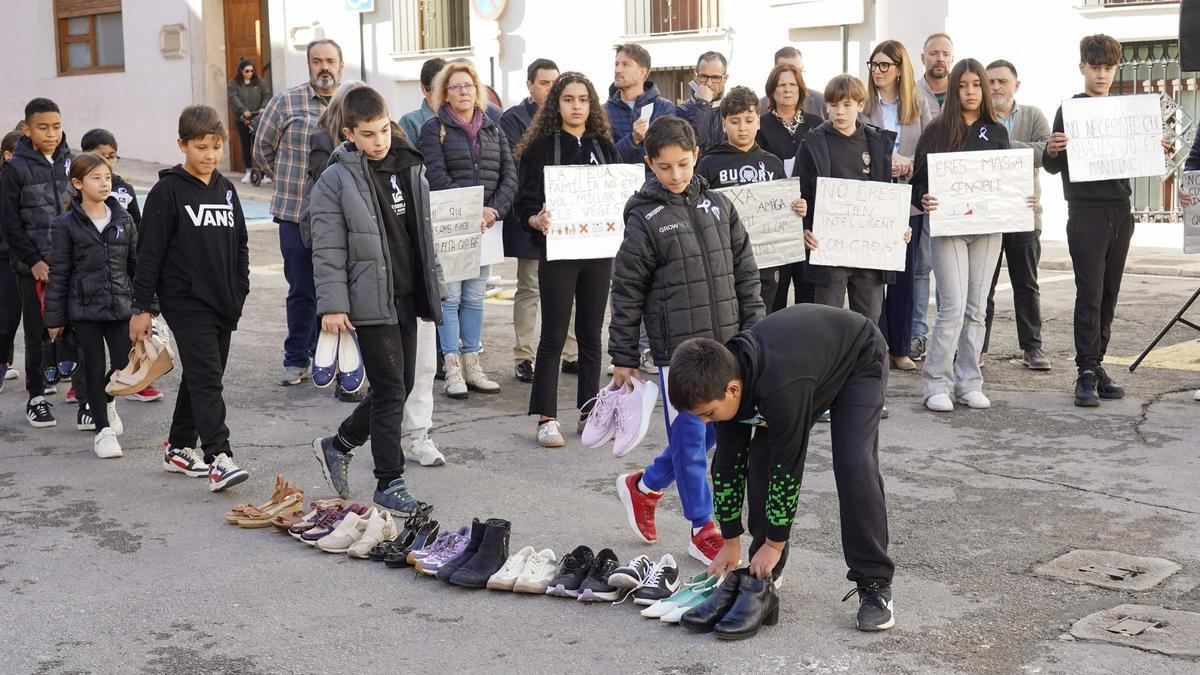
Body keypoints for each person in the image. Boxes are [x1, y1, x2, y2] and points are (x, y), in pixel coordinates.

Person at [671, 303, 895, 632]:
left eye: (708, 414)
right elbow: (727, 467)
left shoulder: (780, 388)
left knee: (853, 462)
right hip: (808, 368)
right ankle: (764, 574)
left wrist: (775, 543)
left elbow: (788, 467)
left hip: (858, 358)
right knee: (760, 461)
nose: (706, 422)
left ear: (732, 390)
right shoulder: (723, 380)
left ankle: (874, 583)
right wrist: (730, 541)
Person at [610, 116, 764, 566]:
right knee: (691, 440)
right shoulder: (644, 219)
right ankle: (703, 527)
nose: (675, 175)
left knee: (715, 429)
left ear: (696, 155)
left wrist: (756, 334)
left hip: (729, 346)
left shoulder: (720, 205)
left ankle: (645, 486)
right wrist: (623, 354)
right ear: (649, 163)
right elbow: (626, 290)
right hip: (676, 353)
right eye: (664, 167)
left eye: (682, 164)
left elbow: (746, 273)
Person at [309, 86, 444, 512]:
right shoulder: (334, 180)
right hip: (366, 297)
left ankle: (339, 444)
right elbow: (327, 248)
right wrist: (333, 305)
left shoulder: (408, 166)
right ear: (348, 134)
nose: (379, 140)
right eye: (367, 134)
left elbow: (422, 235)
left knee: (403, 385)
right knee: (389, 390)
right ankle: (390, 480)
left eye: (384, 129)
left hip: (406, 293)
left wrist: (434, 284)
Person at [1044, 35, 1169, 407]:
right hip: (1085, 214)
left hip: (1121, 212)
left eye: (1108, 68)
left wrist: (1154, 147)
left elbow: (1141, 158)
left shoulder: (1126, 111)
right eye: (1095, 67)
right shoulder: (1069, 109)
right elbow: (1053, 165)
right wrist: (1052, 150)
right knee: (1090, 293)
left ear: (1116, 69)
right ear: (1082, 67)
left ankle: (1096, 364)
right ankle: (1084, 371)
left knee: (1109, 294)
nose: (1101, 75)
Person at [131, 105, 250, 492]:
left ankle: (179, 447)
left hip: (223, 301)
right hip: (185, 302)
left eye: (216, 147)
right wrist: (142, 307)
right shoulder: (167, 192)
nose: (210, 155)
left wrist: (240, 289)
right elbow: (149, 254)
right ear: (182, 145)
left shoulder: (226, 189)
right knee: (207, 379)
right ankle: (219, 458)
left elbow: (240, 244)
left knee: (203, 376)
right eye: (201, 147)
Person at [914, 59, 1029, 413]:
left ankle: (969, 382)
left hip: (987, 231)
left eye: (976, 85)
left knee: (977, 309)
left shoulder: (996, 132)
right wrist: (924, 198)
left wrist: (1022, 199)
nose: (970, 92)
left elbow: (1007, 182)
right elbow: (917, 182)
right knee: (951, 307)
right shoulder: (936, 131)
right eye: (963, 85)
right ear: (954, 90)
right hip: (949, 230)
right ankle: (936, 383)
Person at [514, 72, 621, 447]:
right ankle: (546, 418)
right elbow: (524, 203)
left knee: (592, 335)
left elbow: (619, 196)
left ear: (592, 105)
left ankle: (590, 412)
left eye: (583, 100)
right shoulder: (540, 148)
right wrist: (535, 220)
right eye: (569, 99)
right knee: (554, 335)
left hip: (597, 252)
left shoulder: (604, 147)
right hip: (558, 252)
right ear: (556, 104)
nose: (577, 106)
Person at [419, 60, 515, 399]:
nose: (464, 92)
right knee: (451, 298)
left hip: (486, 228)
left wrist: (492, 211)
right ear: (445, 94)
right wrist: (471, 209)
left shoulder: (493, 128)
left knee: (475, 297)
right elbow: (434, 174)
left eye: (469, 86)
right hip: (451, 225)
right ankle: (452, 369)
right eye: (456, 86)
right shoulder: (433, 129)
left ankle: (473, 365)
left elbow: (509, 175)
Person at [254, 38, 343, 387]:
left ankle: (328, 357)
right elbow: (262, 150)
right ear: (309, 64)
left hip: (338, 218)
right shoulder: (284, 102)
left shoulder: (350, 102)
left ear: (341, 65)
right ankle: (296, 359)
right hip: (293, 212)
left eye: (330, 61)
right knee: (302, 288)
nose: (324, 67)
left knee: (334, 289)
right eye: (317, 60)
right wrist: (287, 180)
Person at [44, 153, 136, 458]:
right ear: (78, 183)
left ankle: (107, 400)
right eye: (96, 178)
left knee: (124, 364)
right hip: (83, 310)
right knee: (93, 368)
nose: (104, 183)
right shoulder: (65, 225)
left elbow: (136, 266)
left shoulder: (123, 219)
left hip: (120, 306)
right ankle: (103, 431)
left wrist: (146, 306)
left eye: (107, 177)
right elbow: (59, 273)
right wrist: (54, 318)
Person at [797, 75, 908, 327]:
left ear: (860, 105)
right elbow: (800, 194)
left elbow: (888, 196)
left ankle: (866, 356)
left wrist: (898, 228)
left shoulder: (878, 143)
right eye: (833, 105)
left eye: (847, 105)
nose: (840, 111)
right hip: (828, 250)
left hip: (870, 252)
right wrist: (803, 229)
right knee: (826, 323)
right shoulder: (812, 143)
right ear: (826, 106)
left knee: (868, 324)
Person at [500, 58, 579, 384]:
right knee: (530, 286)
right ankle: (524, 356)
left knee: (569, 286)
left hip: (567, 214)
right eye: (544, 83)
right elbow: (514, 163)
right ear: (530, 85)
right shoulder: (514, 119)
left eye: (554, 83)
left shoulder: (569, 117)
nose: (550, 88)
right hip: (532, 214)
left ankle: (571, 354)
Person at [695, 85, 806, 311]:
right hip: (726, 262)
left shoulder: (772, 163)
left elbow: (785, 207)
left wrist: (798, 207)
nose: (742, 128)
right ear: (723, 124)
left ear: (758, 122)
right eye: (735, 121)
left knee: (767, 318)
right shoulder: (708, 163)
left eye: (748, 120)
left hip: (767, 261)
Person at [861, 40, 934, 372]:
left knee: (904, 275)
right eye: (873, 65)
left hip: (908, 200)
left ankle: (900, 348)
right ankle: (876, 346)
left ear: (900, 68)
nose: (877, 71)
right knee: (873, 277)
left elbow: (931, 148)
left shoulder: (918, 104)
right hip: (872, 201)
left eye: (884, 65)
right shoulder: (863, 104)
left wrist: (909, 163)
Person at [1, 98, 73, 428]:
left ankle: (87, 397)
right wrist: (33, 261)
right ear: (27, 130)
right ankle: (36, 397)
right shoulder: (15, 168)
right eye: (43, 127)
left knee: (78, 328)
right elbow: (10, 223)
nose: (51, 134)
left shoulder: (70, 162)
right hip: (32, 269)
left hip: (69, 263)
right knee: (36, 332)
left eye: (56, 126)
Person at [79, 128, 164, 403]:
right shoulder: (77, 192)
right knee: (89, 351)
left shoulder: (125, 189)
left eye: (112, 156)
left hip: (122, 274)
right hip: (88, 283)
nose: (108, 162)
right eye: (101, 156)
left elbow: (138, 225)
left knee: (128, 340)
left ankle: (132, 381)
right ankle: (83, 391)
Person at [982, 60, 1052, 371]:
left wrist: (1002, 146)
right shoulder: (976, 117)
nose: (996, 87)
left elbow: (1047, 152)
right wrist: (1021, 152)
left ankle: (1032, 348)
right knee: (983, 287)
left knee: (1026, 284)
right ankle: (977, 349)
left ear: (1016, 86)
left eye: (1002, 81)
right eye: (990, 82)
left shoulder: (1033, 115)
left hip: (1025, 214)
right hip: (986, 215)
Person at [911, 33, 954, 362]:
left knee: (950, 271)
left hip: (956, 194)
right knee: (921, 267)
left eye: (945, 53)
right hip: (926, 191)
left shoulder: (964, 91)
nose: (939, 58)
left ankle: (946, 335)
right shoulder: (912, 94)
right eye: (934, 53)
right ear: (923, 57)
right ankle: (917, 334)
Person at [604, 43, 676, 165]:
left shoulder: (664, 108)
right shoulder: (603, 112)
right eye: (616, 64)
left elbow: (670, 154)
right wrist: (633, 139)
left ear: (642, 72)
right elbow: (605, 159)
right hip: (618, 177)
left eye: (625, 64)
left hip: (655, 177)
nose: (618, 70)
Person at [756, 62, 820, 175]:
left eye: (793, 84)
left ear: (799, 89)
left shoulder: (816, 123)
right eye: (782, 85)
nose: (787, 90)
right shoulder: (760, 125)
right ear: (772, 91)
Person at [0, 131, 25, 389]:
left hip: (31, 259)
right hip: (5, 258)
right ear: (7, 156)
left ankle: (42, 373)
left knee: (39, 319)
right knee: (6, 319)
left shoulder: (35, 185)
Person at [227, 57, 272, 184]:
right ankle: (248, 171)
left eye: (252, 71)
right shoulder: (233, 84)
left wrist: (263, 107)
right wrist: (243, 110)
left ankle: (263, 172)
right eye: (247, 71)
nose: (249, 73)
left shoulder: (259, 82)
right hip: (242, 119)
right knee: (245, 145)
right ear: (241, 71)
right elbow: (233, 98)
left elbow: (267, 95)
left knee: (259, 145)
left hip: (257, 118)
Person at [675, 51, 730, 153]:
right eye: (703, 77)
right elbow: (692, 144)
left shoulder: (731, 112)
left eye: (715, 77)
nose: (709, 83)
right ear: (695, 76)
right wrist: (703, 103)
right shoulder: (680, 111)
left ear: (725, 79)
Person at [757, 47, 826, 120]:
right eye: (784, 69)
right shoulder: (760, 107)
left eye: (797, 70)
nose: (791, 74)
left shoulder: (822, 102)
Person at [399, 58, 447, 145]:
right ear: (424, 89)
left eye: (448, 88)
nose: (444, 95)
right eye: (437, 90)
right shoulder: (410, 122)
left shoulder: (461, 117)